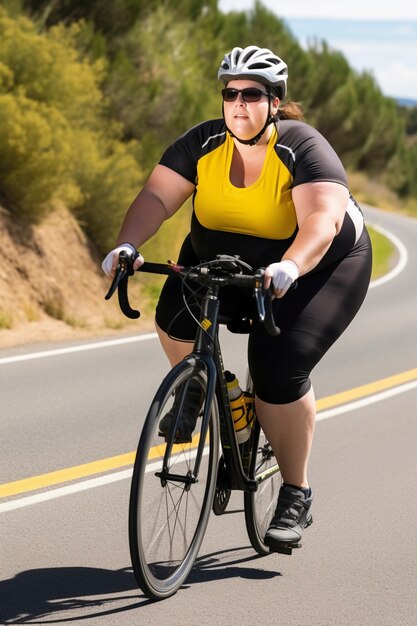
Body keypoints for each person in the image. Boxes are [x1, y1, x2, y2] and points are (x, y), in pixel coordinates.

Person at [102, 45, 372, 553]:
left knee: (278, 367)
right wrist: (127, 245)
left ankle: (296, 492)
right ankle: (214, 393)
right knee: (173, 319)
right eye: (230, 94)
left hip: (316, 262)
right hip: (225, 251)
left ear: (275, 102)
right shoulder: (202, 143)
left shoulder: (302, 147)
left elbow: (322, 221)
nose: (239, 104)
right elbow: (158, 197)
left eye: (252, 94)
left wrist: (291, 265)